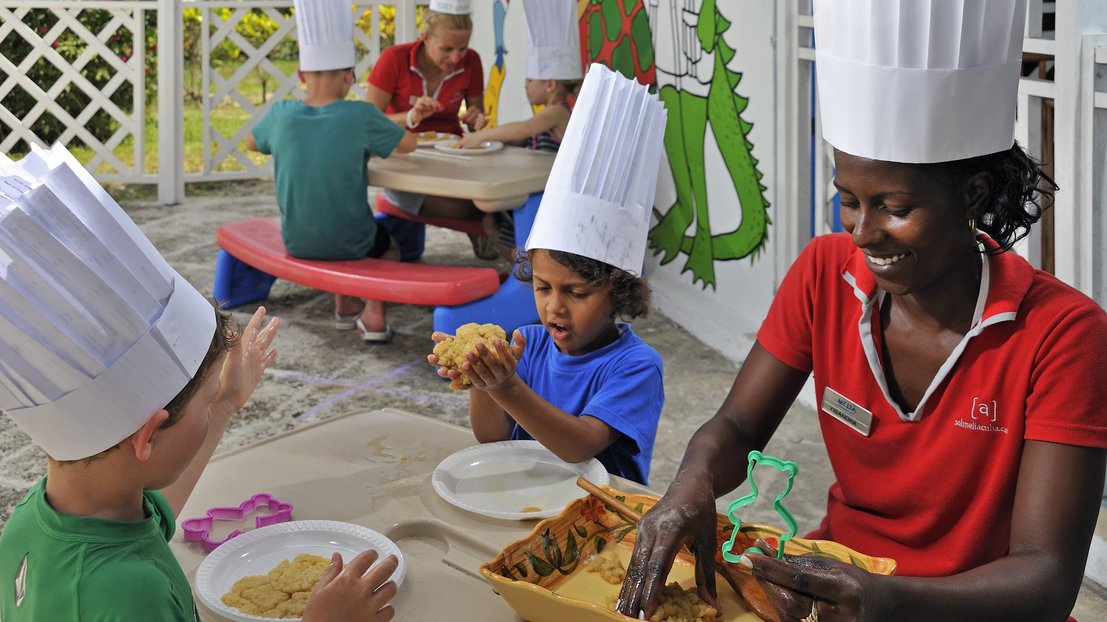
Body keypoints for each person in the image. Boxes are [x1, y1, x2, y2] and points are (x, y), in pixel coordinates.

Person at [616, 1, 1107, 621]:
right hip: (832, 589)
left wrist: (885, 599)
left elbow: (1046, 576)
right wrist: (692, 484)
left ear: (972, 196)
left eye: (894, 206)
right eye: (849, 200)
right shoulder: (825, 274)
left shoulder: (1063, 335)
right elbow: (738, 428)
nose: (863, 232)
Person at [0, 145, 400, 621]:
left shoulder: (40, 517)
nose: (211, 411)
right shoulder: (130, 594)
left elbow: (153, 512)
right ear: (148, 435)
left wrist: (224, 403)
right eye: (205, 405)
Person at [428, 64, 668, 485]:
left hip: (602, 518)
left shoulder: (634, 367)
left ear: (620, 292)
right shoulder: (529, 343)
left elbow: (580, 445)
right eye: (542, 287)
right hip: (528, 502)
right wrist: (483, 380)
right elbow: (491, 438)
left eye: (576, 292)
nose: (553, 305)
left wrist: (506, 388)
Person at [246, 0, 416, 343]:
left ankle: (345, 307)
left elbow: (251, 142)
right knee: (388, 246)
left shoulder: (281, 114)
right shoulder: (361, 116)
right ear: (350, 76)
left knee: (336, 219)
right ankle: (374, 316)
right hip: (352, 242)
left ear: (300, 76)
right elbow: (408, 144)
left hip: (297, 240)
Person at [364, 0, 491, 238]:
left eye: (462, 48)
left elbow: (476, 119)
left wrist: (476, 120)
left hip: (453, 156)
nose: (456, 58)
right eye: (447, 49)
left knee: (493, 201)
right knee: (470, 208)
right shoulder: (394, 58)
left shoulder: (472, 61)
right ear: (425, 37)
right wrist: (411, 116)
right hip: (402, 160)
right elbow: (366, 122)